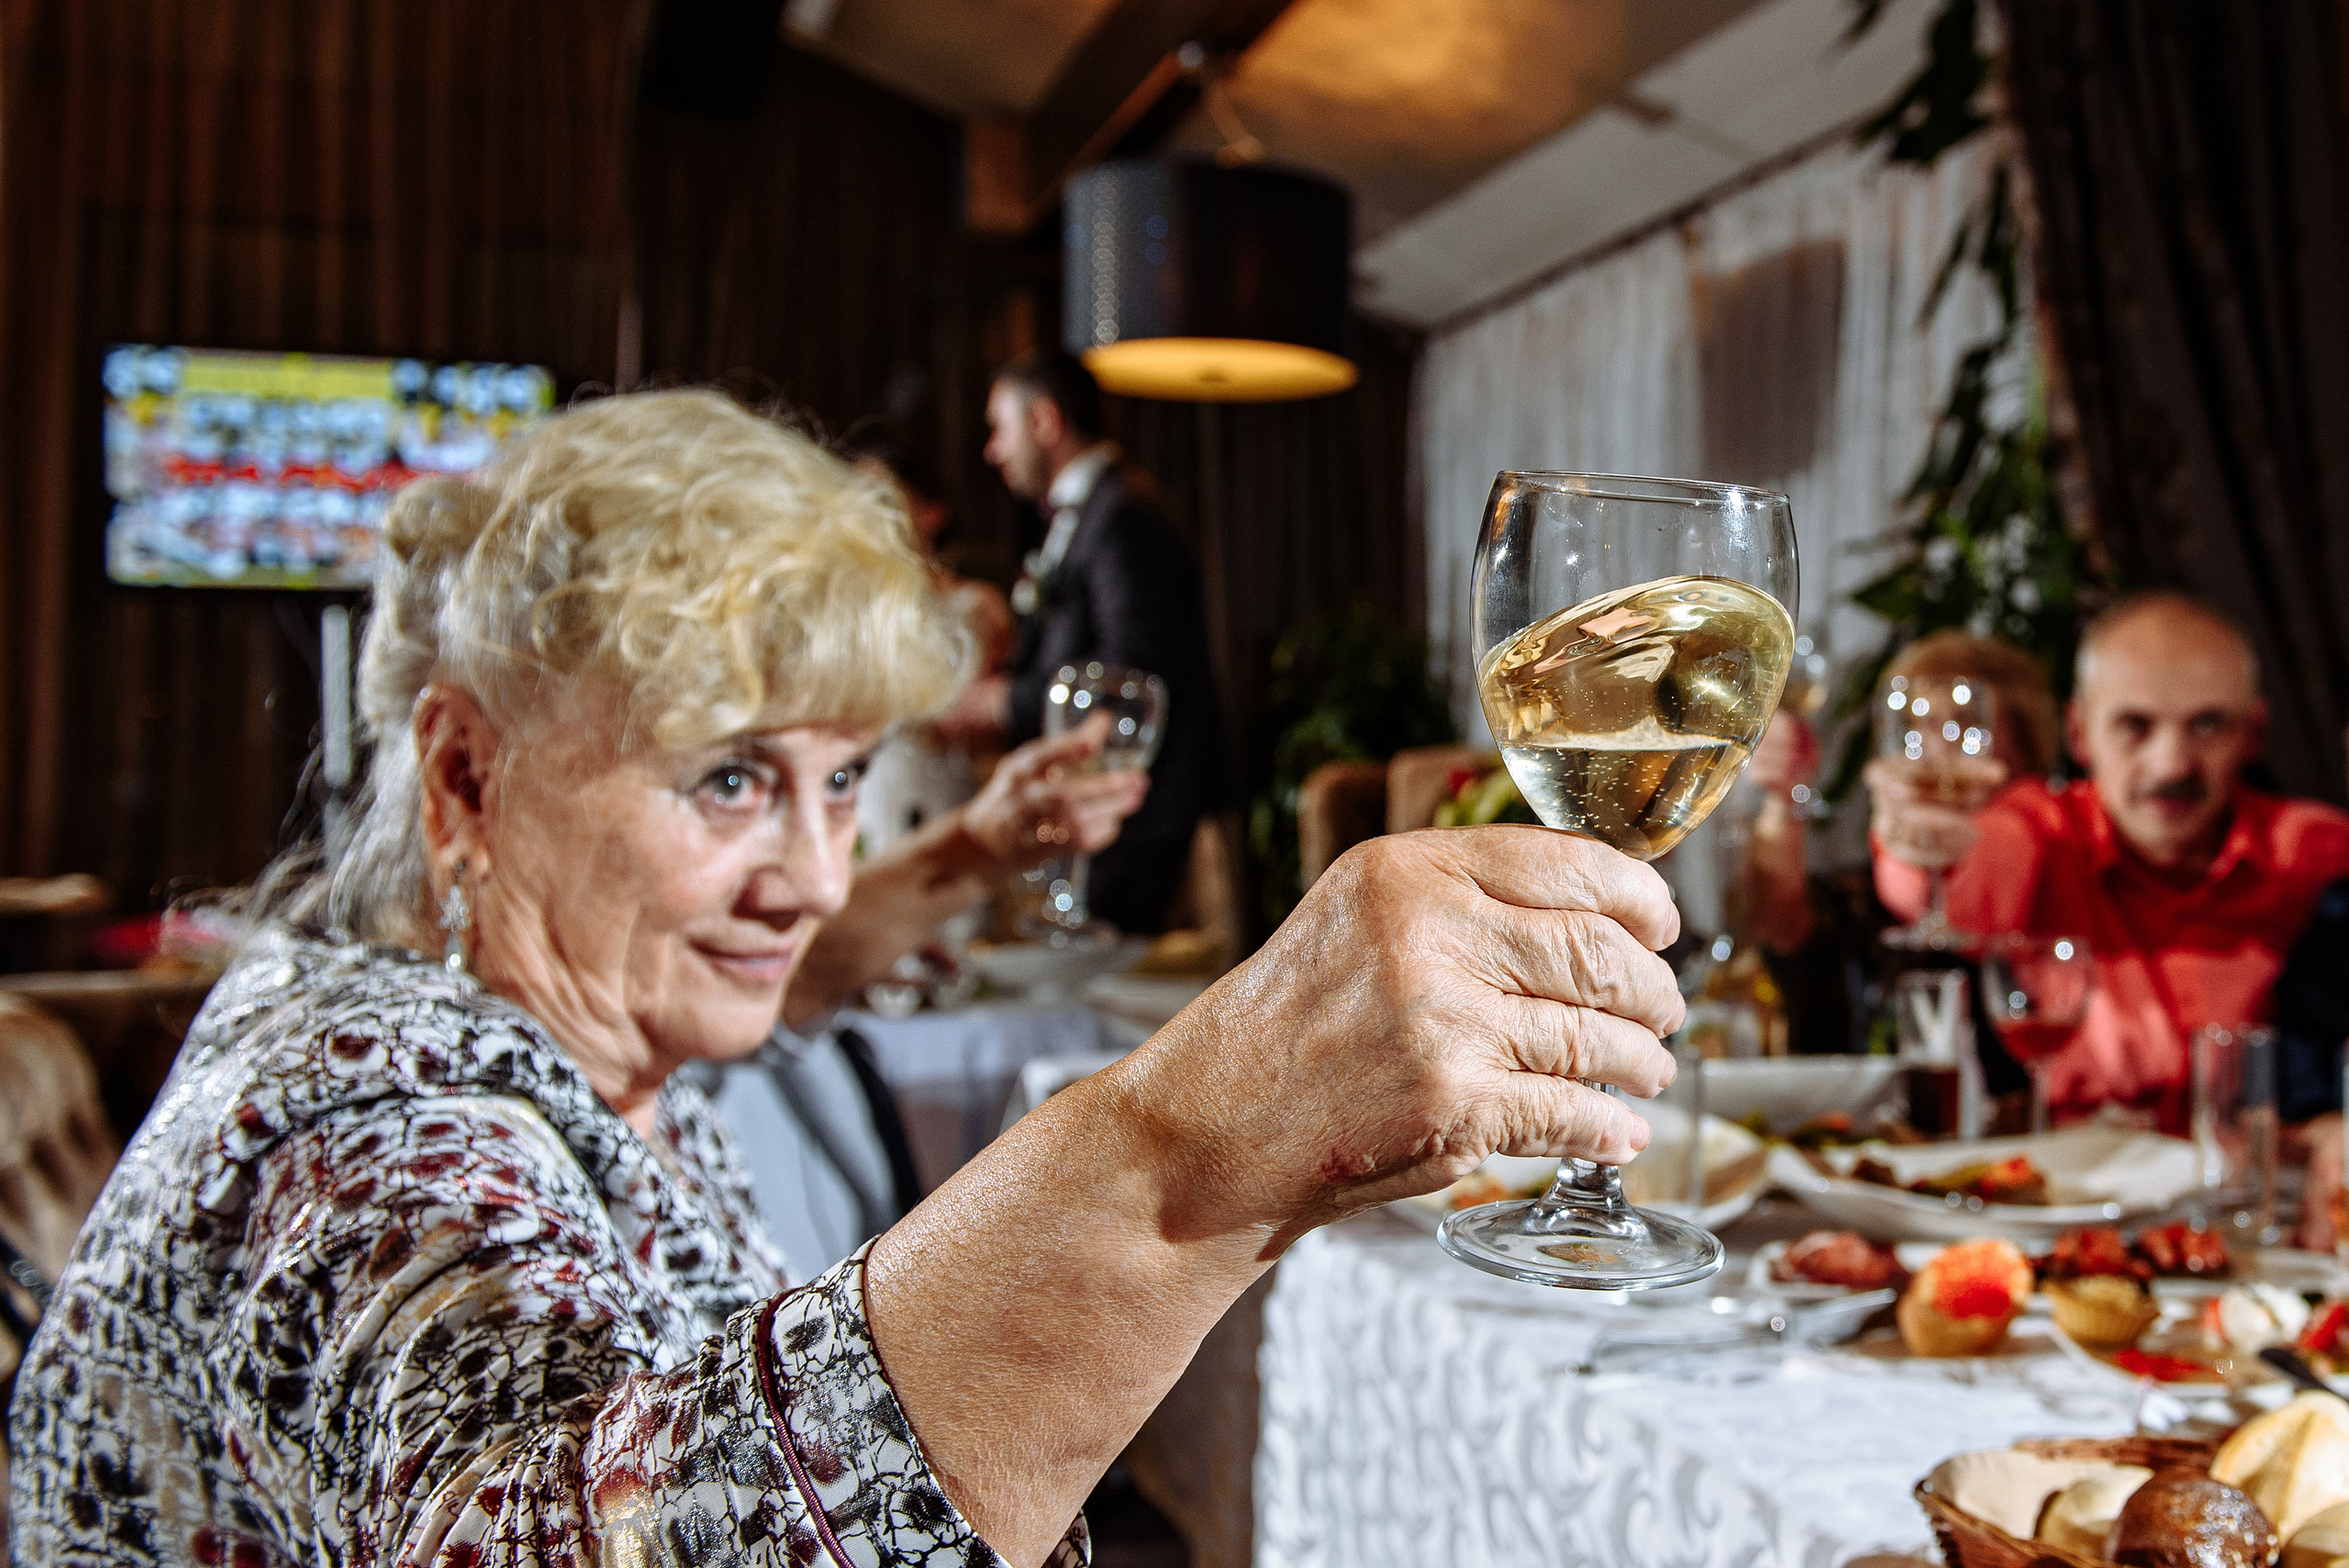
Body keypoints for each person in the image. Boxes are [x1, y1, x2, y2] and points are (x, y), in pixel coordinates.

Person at [10, 389, 1687, 1567]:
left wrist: (969, 857)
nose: (813, 874)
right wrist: (1194, 1137)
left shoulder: (567, 1029)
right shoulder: (362, 1127)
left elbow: (796, 973)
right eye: (732, 778)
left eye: (842, 779)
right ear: (467, 775)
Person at [1868, 593, 2349, 1127]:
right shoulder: (2038, 830)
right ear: (2079, 733)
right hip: (2084, 1173)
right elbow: (1946, 889)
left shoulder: (2317, 848)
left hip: (2259, 1173)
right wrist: (1919, 843)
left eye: (2208, 724)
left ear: (2254, 733)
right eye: (2134, 725)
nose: (2171, 764)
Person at [936, 351, 1229, 934]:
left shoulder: (1123, 516)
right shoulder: (1094, 512)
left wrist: (1001, 703)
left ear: (1044, 420)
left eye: (999, 428)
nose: (992, 450)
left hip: (1139, 819)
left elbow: (1133, 671)